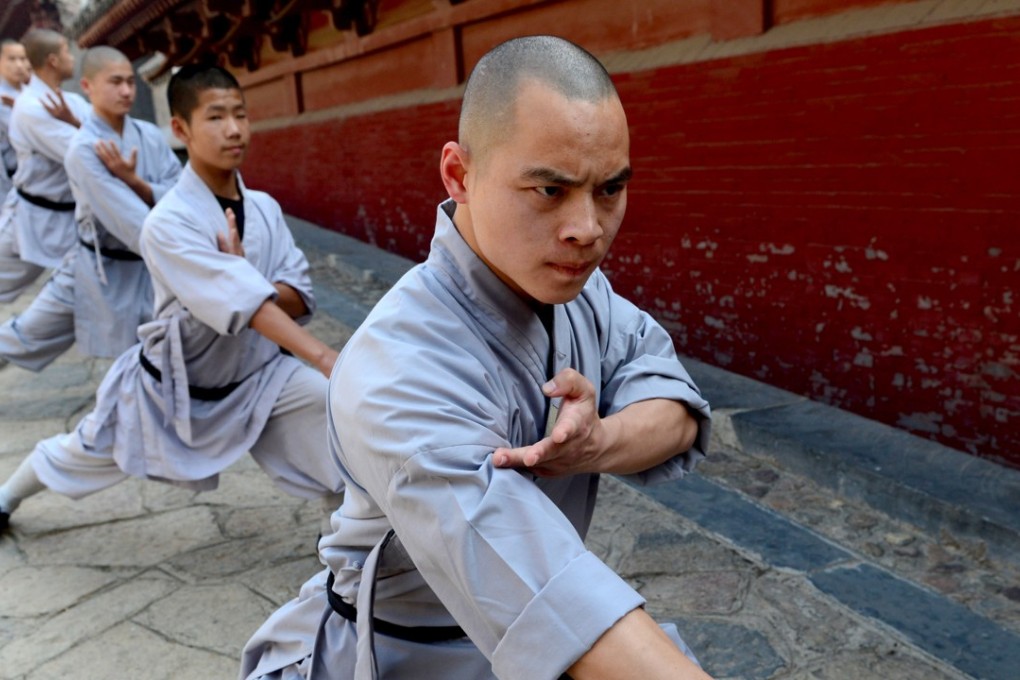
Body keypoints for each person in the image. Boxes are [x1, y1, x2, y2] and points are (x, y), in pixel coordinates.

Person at [241, 36, 714, 680]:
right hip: (400, 657)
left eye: (609, 190)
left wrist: (598, 442)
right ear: (459, 175)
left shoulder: (580, 293)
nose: (588, 228)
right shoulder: (399, 370)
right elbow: (552, 594)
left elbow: (677, 406)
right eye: (550, 190)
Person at [0, 64, 343, 535]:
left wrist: (241, 281)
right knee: (81, 450)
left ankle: (351, 569)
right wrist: (323, 355)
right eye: (217, 117)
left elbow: (298, 297)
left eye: (240, 115)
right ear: (180, 128)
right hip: (174, 387)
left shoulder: (263, 207)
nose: (234, 129)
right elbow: (247, 302)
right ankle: (6, 496)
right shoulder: (168, 223)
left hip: (260, 375)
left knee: (338, 438)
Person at [0, 46, 182, 371]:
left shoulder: (149, 135)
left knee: (149, 360)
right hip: (101, 266)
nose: (126, 91)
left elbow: (181, 193)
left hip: (147, 267)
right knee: (28, 333)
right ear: (88, 85)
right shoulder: (80, 146)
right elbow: (134, 223)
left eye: (131, 82)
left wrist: (137, 183)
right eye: (115, 82)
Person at [0, 29, 89, 304]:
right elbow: (90, 154)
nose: (71, 57)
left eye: (22, 59)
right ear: (52, 60)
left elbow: (104, 141)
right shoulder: (29, 107)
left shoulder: (71, 102)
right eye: (66, 51)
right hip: (33, 213)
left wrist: (74, 122)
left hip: (69, 214)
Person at [0, 38, 30, 198]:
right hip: (14, 179)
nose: (19, 65)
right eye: (12, 59)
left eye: (23, 59)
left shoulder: (32, 93)